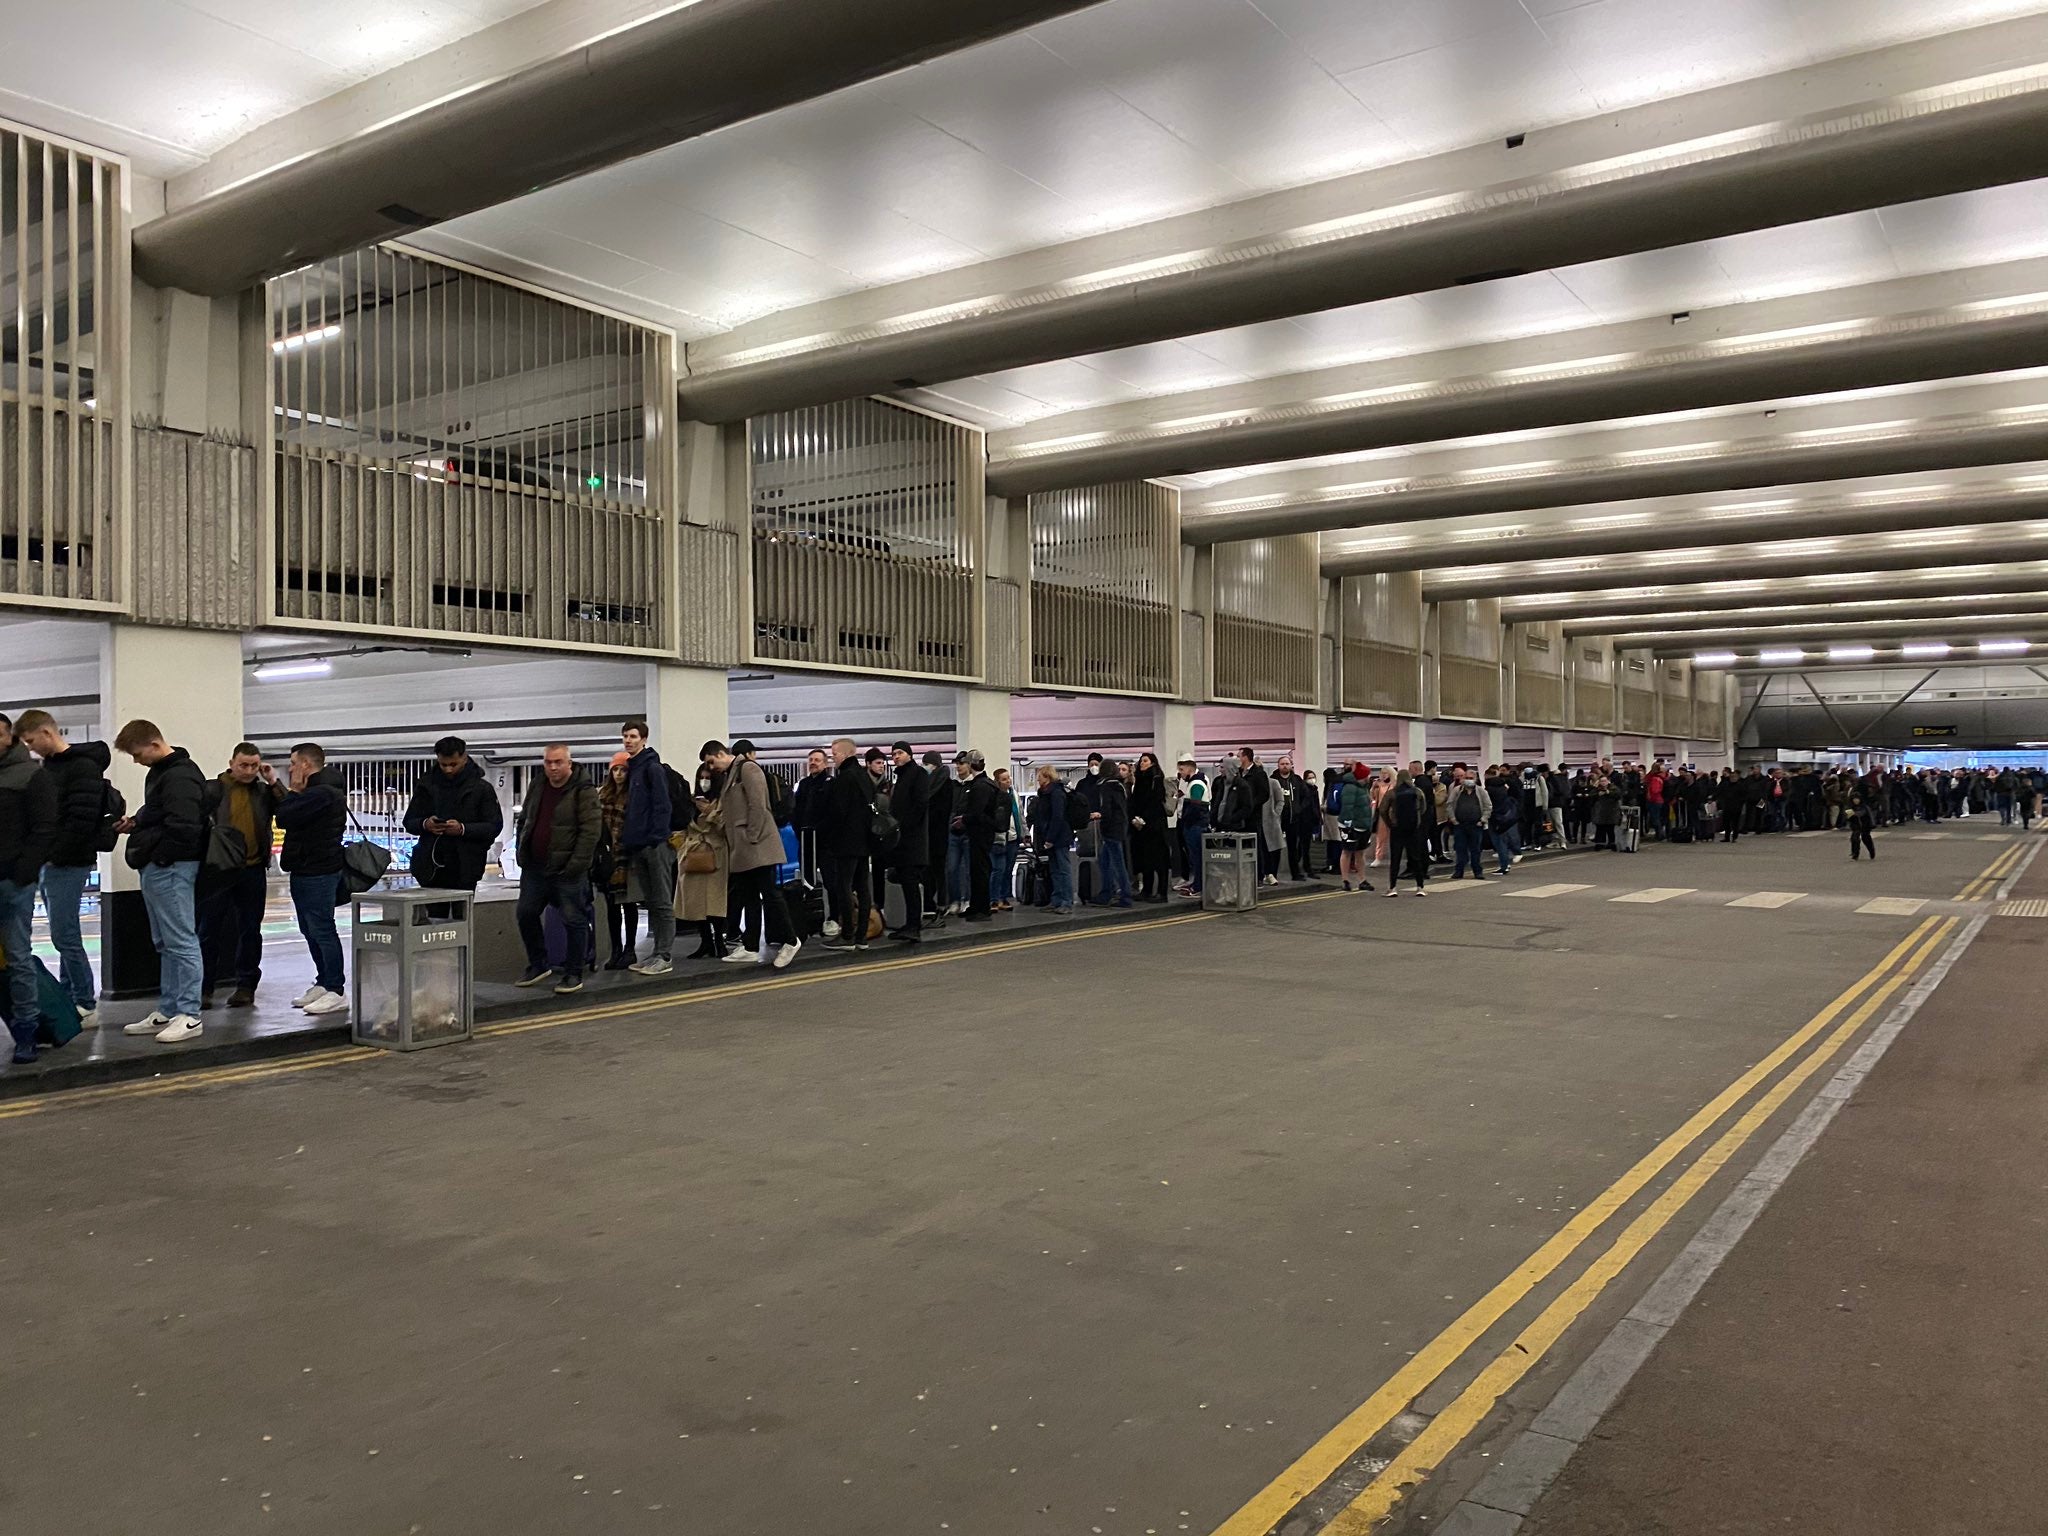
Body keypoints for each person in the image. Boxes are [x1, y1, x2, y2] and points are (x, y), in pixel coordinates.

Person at [111, 719, 208, 1043]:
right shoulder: (162, 774)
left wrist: (160, 855)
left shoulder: (181, 775)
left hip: (172, 867)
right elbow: (160, 813)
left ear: (154, 744)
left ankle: (190, 1015)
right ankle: (169, 1009)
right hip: (160, 867)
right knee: (165, 942)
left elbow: (185, 827)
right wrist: (137, 821)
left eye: (138, 754)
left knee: (181, 941)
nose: (137, 761)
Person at [15, 710, 107, 1029]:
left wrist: (50, 853)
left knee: (64, 934)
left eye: (31, 741)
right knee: (64, 933)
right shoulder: (50, 768)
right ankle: (71, 995)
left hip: (69, 861)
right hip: (53, 861)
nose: (30, 748)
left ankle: (85, 1001)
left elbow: (79, 820)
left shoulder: (82, 768)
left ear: (46, 732)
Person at [511, 743, 601, 993]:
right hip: (535, 868)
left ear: (569, 763)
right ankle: (538, 964)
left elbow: (590, 832)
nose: (552, 767)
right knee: (525, 914)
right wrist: (522, 851)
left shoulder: (584, 790)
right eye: (548, 762)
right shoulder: (538, 785)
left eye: (558, 762)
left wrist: (575, 866)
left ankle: (574, 973)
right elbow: (526, 820)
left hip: (567, 872)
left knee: (574, 920)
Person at [199, 742, 281, 1010]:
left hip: (253, 869)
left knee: (250, 930)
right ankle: (203, 988)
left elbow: (287, 809)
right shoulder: (213, 789)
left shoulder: (262, 791)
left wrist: (273, 781)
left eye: (254, 765)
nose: (248, 770)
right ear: (231, 763)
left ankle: (246, 986)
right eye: (243, 765)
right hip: (219, 870)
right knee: (208, 931)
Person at [273, 742, 350, 1015]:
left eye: (293, 763)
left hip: (319, 871)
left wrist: (292, 789)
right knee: (309, 928)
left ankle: (336, 990)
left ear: (306, 765)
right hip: (305, 868)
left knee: (323, 929)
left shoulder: (322, 793)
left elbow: (283, 816)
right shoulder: (317, 792)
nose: (291, 768)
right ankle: (323, 981)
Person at [0, 713, 57, 1062]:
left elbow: (44, 830)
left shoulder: (33, 776)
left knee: (18, 959)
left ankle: (26, 1033)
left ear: (11, 738)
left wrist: (22, 875)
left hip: (12, 883)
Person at [717, 739, 802, 969]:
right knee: (749, 895)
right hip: (745, 848)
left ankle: (791, 941)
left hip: (757, 845)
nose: (711, 767)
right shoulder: (732, 775)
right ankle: (751, 946)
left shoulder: (748, 768)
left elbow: (758, 804)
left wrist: (751, 835)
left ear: (720, 754)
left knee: (770, 893)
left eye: (711, 761)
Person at [402, 735, 502, 892]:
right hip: (431, 867)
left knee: (462, 914)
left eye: (453, 764)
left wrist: (463, 829)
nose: (448, 769)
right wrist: (425, 824)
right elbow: (409, 821)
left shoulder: (482, 789)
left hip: (466, 867)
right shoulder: (426, 786)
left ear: (464, 757)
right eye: (443, 764)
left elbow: (494, 826)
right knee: (433, 915)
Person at [618, 719, 677, 974]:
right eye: (625, 736)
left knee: (662, 901)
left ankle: (664, 956)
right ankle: (655, 954)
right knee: (652, 901)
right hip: (640, 845)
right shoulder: (635, 769)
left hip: (655, 845)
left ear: (644, 739)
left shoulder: (652, 768)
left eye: (633, 736)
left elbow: (662, 806)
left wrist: (655, 838)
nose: (628, 740)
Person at [821, 738, 875, 950]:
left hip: (846, 842)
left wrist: (829, 835)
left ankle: (847, 935)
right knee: (862, 887)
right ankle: (861, 936)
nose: (833, 757)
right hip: (865, 841)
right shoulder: (864, 776)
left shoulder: (844, 778)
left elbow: (838, 812)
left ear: (845, 754)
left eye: (834, 753)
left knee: (843, 885)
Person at [677, 751, 731, 960]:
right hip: (693, 855)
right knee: (696, 903)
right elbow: (686, 826)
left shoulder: (723, 801)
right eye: (702, 778)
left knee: (714, 902)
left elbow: (726, 827)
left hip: (716, 855)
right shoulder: (692, 801)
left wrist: (710, 812)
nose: (704, 782)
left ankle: (719, 941)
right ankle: (705, 942)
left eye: (708, 778)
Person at [886, 743, 931, 943]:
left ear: (910, 755)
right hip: (902, 839)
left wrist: (904, 826)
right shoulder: (901, 777)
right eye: (894, 754)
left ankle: (914, 925)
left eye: (900, 753)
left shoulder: (917, 774)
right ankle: (910, 924)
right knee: (906, 881)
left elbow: (920, 804)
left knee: (911, 882)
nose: (896, 756)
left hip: (911, 839)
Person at [956, 751, 999, 922]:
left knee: (979, 870)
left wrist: (964, 819)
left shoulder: (980, 786)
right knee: (978, 870)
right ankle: (977, 906)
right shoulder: (987, 784)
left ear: (971, 765)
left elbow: (976, 812)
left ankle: (982, 909)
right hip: (984, 833)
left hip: (979, 833)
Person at [1028, 764, 1076, 914]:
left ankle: (1066, 901)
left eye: (1040, 777)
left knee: (1063, 869)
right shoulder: (1046, 793)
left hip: (1059, 837)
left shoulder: (1056, 794)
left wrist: (1050, 838)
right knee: (1055, 869)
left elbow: (1057, 817)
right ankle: (1057, 900)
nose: (1038, 780)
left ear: (1047, 777)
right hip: (1052, 836)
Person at [1129, 752, 1170, 902]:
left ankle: (1161, 892)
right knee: (1145, 859)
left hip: (1154, 825)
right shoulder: (1139, 780)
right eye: (1141, 761)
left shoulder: (1156, 779)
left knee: (1159, 859)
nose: (1142, 763)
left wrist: (1143, 818)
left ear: (1153, 763)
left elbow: (1155, 801)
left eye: (1145, 761)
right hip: (1142, 825)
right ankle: (1147, 890)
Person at [1093, 758, 1134, 908]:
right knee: (1106, 861)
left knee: (1116, 863)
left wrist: (1100, 817)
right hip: (1120, 826)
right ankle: (1107, 892)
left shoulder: (1106, 787)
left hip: (1111, 829)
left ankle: (1124, 895)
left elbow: (1107, 808)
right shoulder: (1120, 786)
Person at [1382, 768, 1429, 897]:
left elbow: (1382, 809)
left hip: (1397, 828)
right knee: (1415, 858)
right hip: (1413, 828)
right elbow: (1424, 808)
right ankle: (1420, 887)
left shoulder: (1392, 793)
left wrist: (1390, 823)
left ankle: (1392, 888)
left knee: (1395, 858)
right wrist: (1416, 819)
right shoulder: (1418, 792)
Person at [791, 747, 831, 882]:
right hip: (805, 840)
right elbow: (796, 810)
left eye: (817, 760)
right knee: (807, 880)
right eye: (811, 760)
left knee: (831, 881)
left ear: (825, 764)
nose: (813, 763)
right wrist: (798, 830)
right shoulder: (803, 784)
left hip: (825, 843)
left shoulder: (830, 784)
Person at [1335, 764, 1375, 893]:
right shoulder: (1350, 788)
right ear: (1362, 776)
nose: (1369, 776)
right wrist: (1348, 825)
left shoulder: (1363, 787)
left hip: (1362, 825)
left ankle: (1362, 880)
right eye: (1367, 774)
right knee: (1347, 852)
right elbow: (1347, 808)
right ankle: (1345, 880)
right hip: (1351, 826)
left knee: (1360, 853)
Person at [1446, 767, 1492, 880]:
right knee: (1460, 849)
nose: (1468, 780)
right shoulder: (1457, 790)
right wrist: (1453, 819)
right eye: (1466, 778)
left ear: (1475, 779)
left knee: (1475, 849)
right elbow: (1449, 805)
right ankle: (1459, 871)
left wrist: (1483, 820)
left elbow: (1488, 806)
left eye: (1471, 778)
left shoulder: (1481, 791)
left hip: (1476, 825)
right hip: (1460, 825)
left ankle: (1477, 871)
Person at [989, 766, 1023, 912]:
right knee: (998, 869)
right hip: (999, 838)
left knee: (1008, 869)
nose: (1008, 781)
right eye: (1004, 779)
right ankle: (993, 899)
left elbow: (1020, 815)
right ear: (997, 782)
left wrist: (1025, 833)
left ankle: (1003, 897)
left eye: (1008, 778)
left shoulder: (1013, 794)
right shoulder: (994, 796)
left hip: (1013, 837)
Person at [1846, 780, 1878, 862]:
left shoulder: (1864, 806)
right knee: (1855, 839)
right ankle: (1855, 854)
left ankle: (1871, 851)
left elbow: (1862, 813)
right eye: (1854, 799)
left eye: (1857, 799)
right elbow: (1847, 815)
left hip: (1865, 825)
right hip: (1856, 826)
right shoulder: (1851, 806)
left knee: (1866, 838)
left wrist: (1854, 814)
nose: (1856, 801)